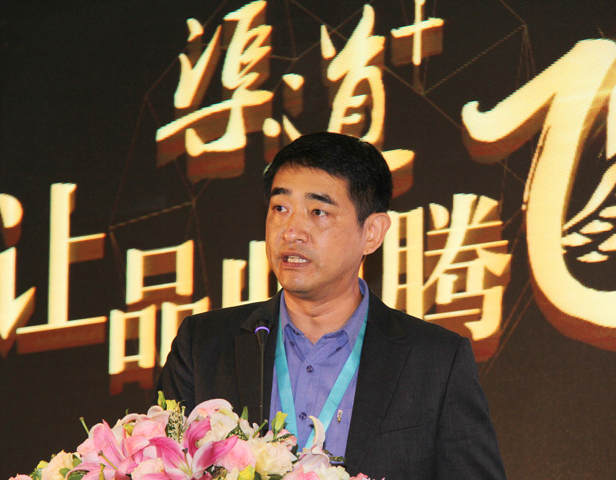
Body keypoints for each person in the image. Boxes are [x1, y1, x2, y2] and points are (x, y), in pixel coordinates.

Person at [157, 132, 506, 479]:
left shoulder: (436, 362)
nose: (291, 231)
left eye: (318, 212)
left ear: (372, 232)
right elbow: (156, 465)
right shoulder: (203, 345)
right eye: (280, 208)